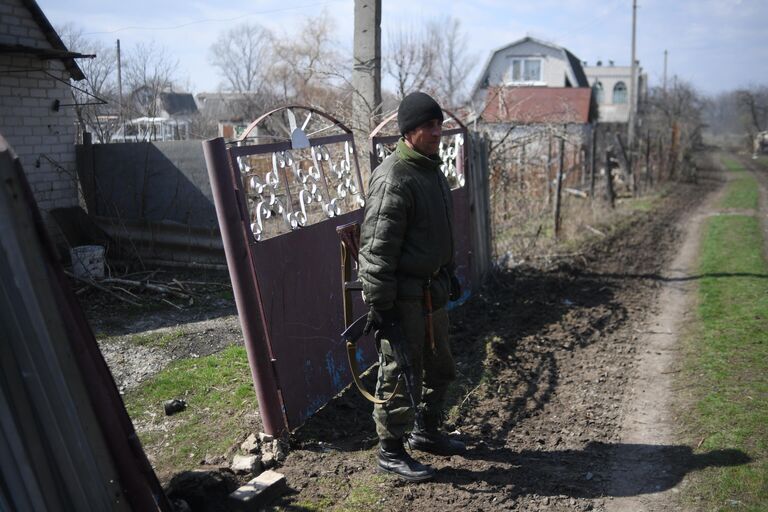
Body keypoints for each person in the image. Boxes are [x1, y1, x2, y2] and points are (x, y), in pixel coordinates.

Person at [358, 91, 465, 482]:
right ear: (410, 131)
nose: (438, 131)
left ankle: (428, 432)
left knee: (441, 368)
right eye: (429, 125)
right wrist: (381, 306)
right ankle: (390, 450)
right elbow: (375, 250)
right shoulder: (393, 177)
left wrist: (449, 271)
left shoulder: (430, 169)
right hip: (403, 298)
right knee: (400, 373)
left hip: (432, 290)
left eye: (440, 124)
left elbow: (439, 231)